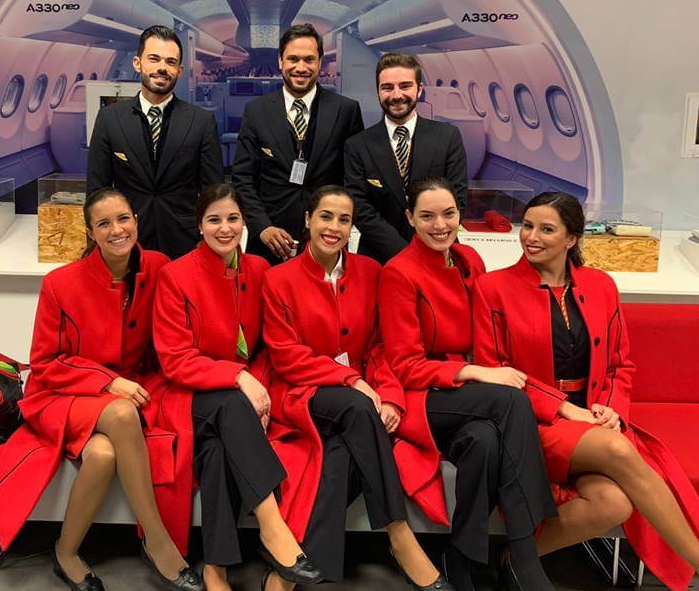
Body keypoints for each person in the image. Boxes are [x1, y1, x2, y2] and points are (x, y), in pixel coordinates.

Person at [472, 192, 699, 591]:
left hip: (593, 418)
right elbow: (496, 372)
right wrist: (565, 409)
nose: (531, 236)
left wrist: (612, 409)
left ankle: (516, 558)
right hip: (529, 422)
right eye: (528, 226)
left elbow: (621, 365)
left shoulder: (600, 286)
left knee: (613, 503)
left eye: (547, 229)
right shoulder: (492, 288)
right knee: (620, 450)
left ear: (572, 238)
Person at [0, 187, 203, 591]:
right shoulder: (60, 283)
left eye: (123, 219)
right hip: (60, 394)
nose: (116, 230)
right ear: (90, 232)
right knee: (121, 413)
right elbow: (45, 363)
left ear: (136, 220)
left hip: (127, 390)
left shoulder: (158, 266)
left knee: (101, 455)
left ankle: (65, 553)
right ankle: (157, 540)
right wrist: (108, 381)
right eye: (104, 223)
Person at [262, 185, 448, 590]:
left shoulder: (371, 272)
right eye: (325, 217)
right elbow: (286, 356)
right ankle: (400, 537)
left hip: (361, 397)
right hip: (302, 392)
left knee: (341, 453)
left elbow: (381, 347)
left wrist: (393, 397)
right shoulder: (278, 279)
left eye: (343, 220)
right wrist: (353, 380)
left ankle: (294, 575)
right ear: (307, 220)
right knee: (357, 409)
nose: (334, 227)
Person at [380, 177, 557, 591]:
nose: (439, 224)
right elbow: (405, 366)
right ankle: (524, 551)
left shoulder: (468, 259)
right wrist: (478, 372)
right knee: (510, 402)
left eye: (448, 214)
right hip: (422, 395)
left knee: (484, 441)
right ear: (410, 218)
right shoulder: (398, 273)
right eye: (426, 216)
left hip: (467, 397)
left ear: (460, 215)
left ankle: (461, 556)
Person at [152, 183, 323, 591]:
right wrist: (239, 378)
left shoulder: (261, 271)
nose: (224, 228)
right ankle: (272, 527)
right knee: (230, 407)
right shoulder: (175, 276)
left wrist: (257, 388)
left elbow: (267, 348)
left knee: (216, 453)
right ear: (199, 226)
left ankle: (216, 569)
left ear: (245, 222)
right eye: (214, 220)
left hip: (240, 401)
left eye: (233, 218)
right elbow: (175, 360)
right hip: (187, 394)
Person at [86, 25, 224, 259]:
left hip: (184, 242)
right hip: (127, 242)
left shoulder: (201, 121)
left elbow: (213, 193)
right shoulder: (110, 119)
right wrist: (98, 243)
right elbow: (97, 191)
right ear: (137, 63)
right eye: (154, 58)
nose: (162, 67)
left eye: (171, 62)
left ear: (179, 71)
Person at [232, 23, 363, 265]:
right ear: (280, 61)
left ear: (320, 62)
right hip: (269, 239)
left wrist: (336, 226)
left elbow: (353, 180)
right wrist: (262, 227)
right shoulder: (257, 112)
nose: (301, 67)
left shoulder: (346, 111)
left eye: (309, 59)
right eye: (293, 59)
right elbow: (243, 178)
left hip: (325, 239)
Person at [345, 52, 468, 264]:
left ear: (419, 90)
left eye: (405, 86)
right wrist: (403, 252)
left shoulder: (447, 137)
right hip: (378, 255)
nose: (396, 94)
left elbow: (457, 198)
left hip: (437, 249)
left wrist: (423, 247)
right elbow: (359, 206)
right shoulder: (357, 145)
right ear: (378, 92)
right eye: (387, 87)